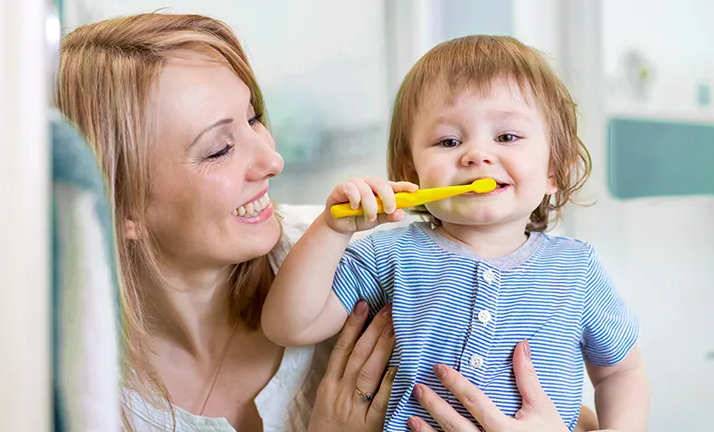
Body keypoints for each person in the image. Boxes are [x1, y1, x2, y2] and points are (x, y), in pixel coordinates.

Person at [56, 13, 597, 432]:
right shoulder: (62, 376)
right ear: (117, 207)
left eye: (254, 119)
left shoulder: (354, 251)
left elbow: (571, 399)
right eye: (219, 149)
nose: (272, 161)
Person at [262, 35, 649, 431]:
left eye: (507, 137)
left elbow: (620, 373)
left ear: (554, 171)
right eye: (449, 141)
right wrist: (330, 230)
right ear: (411, 174)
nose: (476, 155)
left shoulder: (576, 269)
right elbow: (289, 325)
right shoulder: (387, 253)